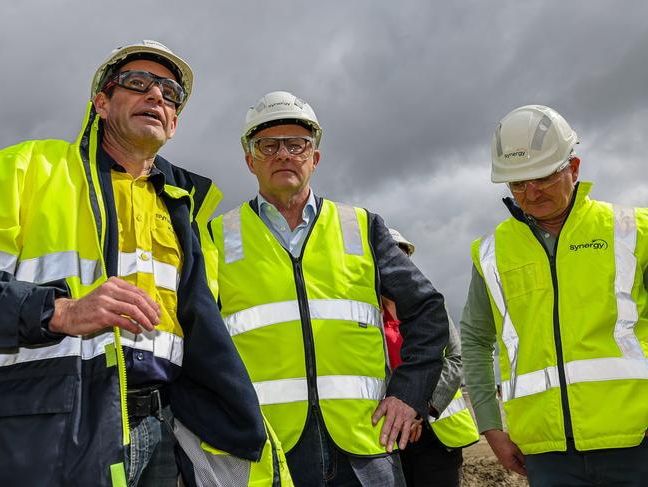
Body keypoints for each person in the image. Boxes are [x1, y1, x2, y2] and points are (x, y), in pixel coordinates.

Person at [0, 40, 286, 487]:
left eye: (170, 94)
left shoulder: (182, 209)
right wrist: (60, 311)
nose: (156, 96)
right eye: (138, 84)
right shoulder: (27, 168)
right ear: (101, 102)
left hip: (162, 431)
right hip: (47, 431)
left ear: (173, 124)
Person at [207, 91, 450, 486]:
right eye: (268, 146)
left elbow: (426, 309)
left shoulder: (362, 226)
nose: (283, 154)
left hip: (364, 446)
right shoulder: (217, 236)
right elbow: (197, 337)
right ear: (250, 160)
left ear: (314, 158)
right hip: (269, 450)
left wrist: (410, 395)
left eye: (297, 145)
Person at [461, 104, 648, 486]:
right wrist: (491, 426)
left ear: (574, 168)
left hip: (636, 441)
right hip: (545, 453)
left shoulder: (632, 230)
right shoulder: (491, 253)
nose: (531, 192)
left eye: (543, 176)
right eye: (517, 183)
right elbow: (477, 341)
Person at [384, 229, 479, 487]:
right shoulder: (363, 312)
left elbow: (457, 358)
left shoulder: (430, 305)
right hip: (388, 437)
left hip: (437, 433)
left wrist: (418, 410)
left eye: (402, 257)